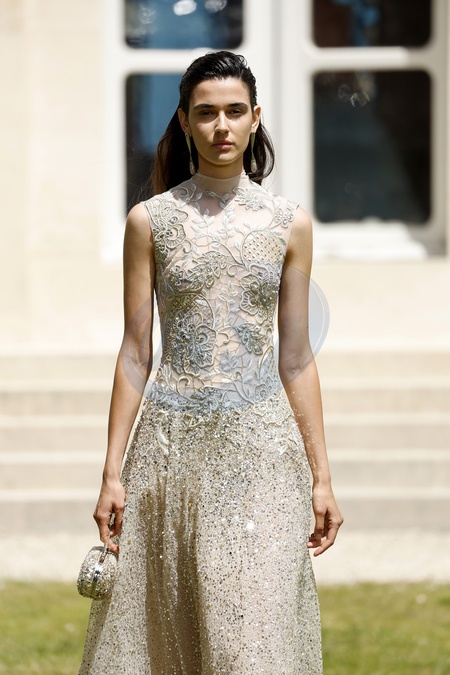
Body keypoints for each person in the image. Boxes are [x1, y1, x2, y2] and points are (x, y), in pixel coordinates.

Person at [79, 50, 343, 674]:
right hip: (171, 451)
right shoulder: (150, 221)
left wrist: (322, 477)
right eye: (205, 113)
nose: (221, 125)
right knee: (175, 639)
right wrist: (112, 472)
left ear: (255, 117)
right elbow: (136, 352)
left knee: (254, 642)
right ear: (184, 121)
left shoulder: (289, 224)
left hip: (264, 452)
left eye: (234, 111)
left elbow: (297, 357)